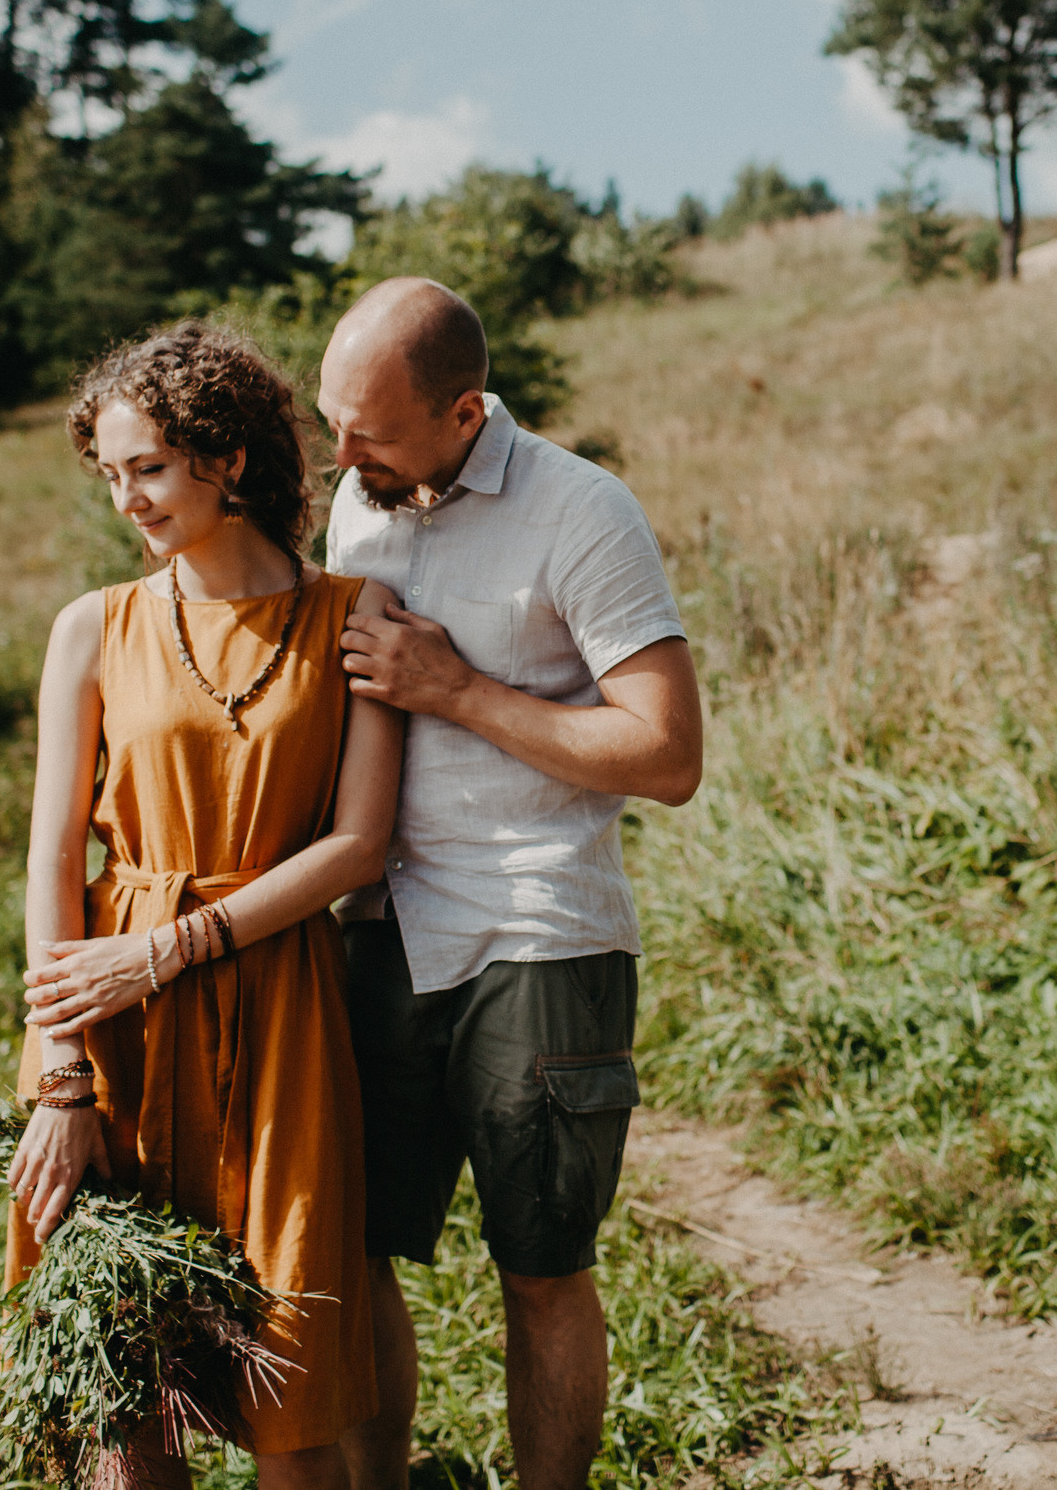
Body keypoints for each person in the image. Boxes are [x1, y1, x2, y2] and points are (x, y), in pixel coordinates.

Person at [317, 278, 704, 1490]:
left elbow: (667, 753)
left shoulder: (582, 512)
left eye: (368, 430)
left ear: (465, 411)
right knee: (359, 1245)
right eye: (333, 422)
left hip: (540, 936)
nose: (341, 454)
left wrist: (460, 692)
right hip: (379, 931)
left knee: (539, 1264)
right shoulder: (356, 501)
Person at [5, 320, 404, 1490]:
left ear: (228, 459)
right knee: (123, 1398)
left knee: (291, 1393)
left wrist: (175, 948)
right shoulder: (93, 627)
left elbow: (358, 845)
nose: (127, 499)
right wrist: (63, 1077)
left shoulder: (353, 616)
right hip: (105, 1016)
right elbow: (49, 863)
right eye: (112, 473)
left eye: (150, 468)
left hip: (282, 1010)